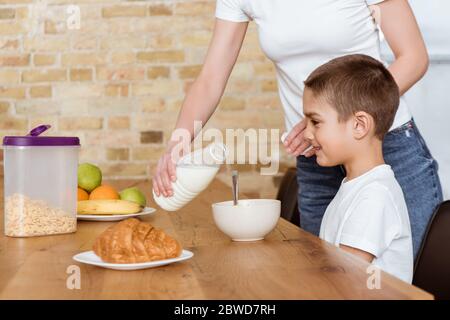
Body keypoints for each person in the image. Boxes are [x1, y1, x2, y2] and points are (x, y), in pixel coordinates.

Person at [152, 0, 443, 259]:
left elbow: (413, 57)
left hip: (384, 147)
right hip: (315, 157)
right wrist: (178, 144)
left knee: (407, 283)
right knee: (326, 277)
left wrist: (335, 116)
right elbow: (210, 79)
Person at [303, 54, 412, 283]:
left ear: (359, 125)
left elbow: (342, 279)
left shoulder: (375, 197)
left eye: (315, 122)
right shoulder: (355, 187)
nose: (306, 133)